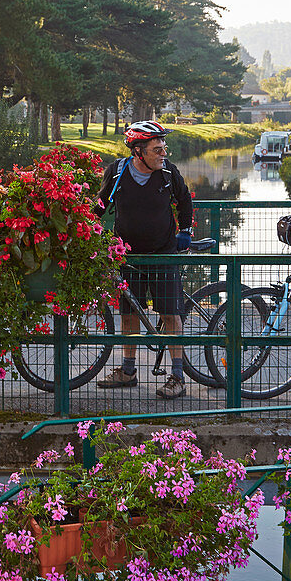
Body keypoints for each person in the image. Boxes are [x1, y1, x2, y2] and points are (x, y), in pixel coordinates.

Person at [92, 120, 194, 400]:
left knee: (171, 315)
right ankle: (128, 371)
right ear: (139, 152)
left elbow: (185, 200)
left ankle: (177, 376)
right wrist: (85, 229)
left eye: (164, 148)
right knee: (129, 314)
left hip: (163, 253)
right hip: (127, 255)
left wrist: (185, 231)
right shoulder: (117, 172)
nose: (163, 154)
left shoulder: (168, 173)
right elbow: (100, 205)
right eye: (157, 149)